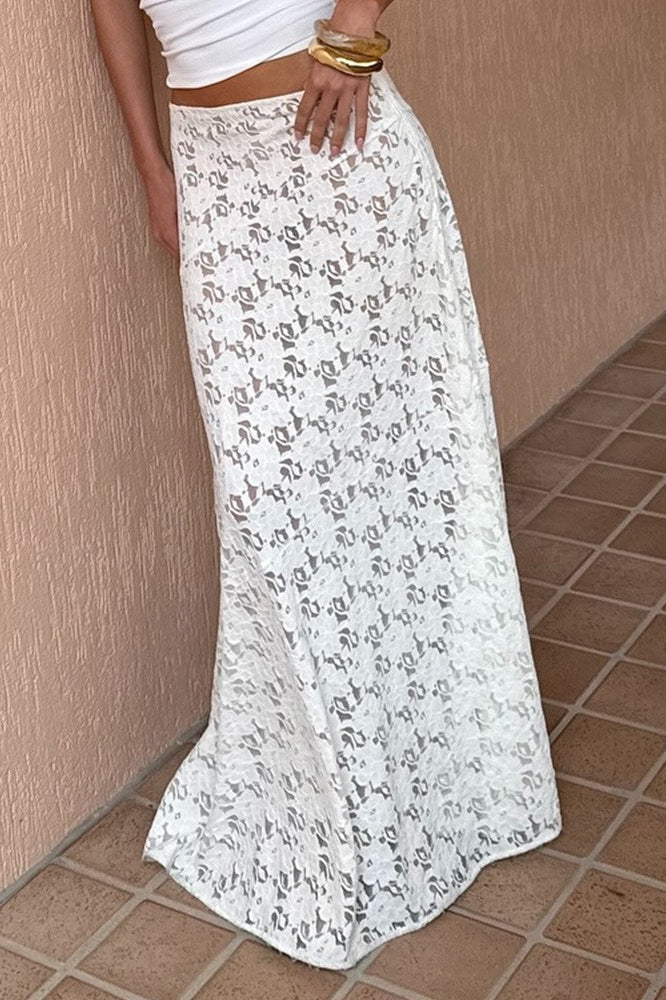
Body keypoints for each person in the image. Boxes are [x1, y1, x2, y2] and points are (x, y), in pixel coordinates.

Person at [90, 0, 562, 972]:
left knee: (400, 492)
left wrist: (351, 32)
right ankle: (323, 785)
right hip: (216, 174)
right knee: (268, 500)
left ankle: (451, 776)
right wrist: (152, 168)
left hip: (336, 155)